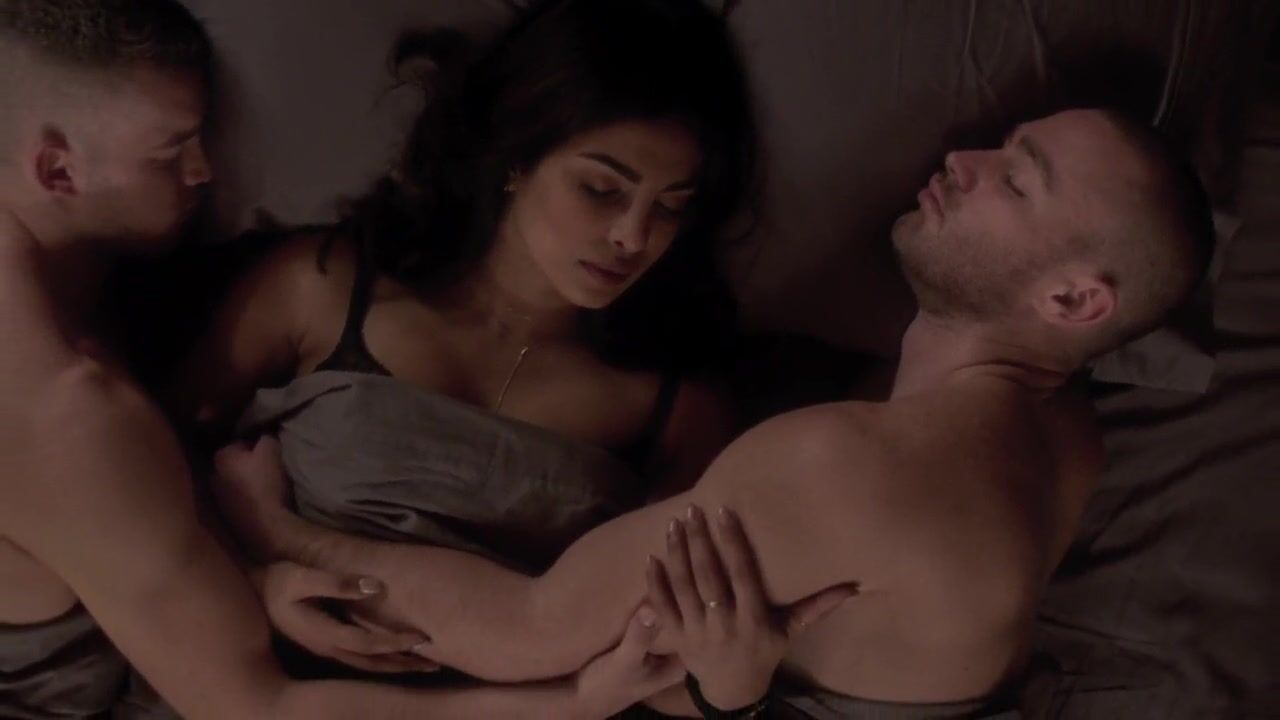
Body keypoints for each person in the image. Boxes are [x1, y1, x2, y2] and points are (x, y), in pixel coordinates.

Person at [216, 107, 1217, 718]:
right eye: (1003, 144)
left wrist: (278, 534)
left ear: (1073, 301)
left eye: (1016, 181)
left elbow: (522, 629)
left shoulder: (847, 466)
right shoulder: (1065, 433)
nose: (966, 158)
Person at [0, 2, 712, 718]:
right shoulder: (75, 405)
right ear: (56, 169)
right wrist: (572, 703)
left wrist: (265, 566)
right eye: (600, 189)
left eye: (672, 205)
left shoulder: (85, 305)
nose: (205, 170)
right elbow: (255, 703)